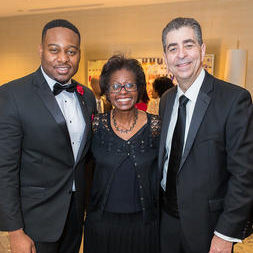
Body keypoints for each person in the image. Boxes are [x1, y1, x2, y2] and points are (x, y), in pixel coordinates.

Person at [0, 19, 96, 253]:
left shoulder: (88, 96)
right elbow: (5, 168)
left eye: (71, 51)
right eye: (54, 50)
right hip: (35, 220)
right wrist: (15, 231)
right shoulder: (12, 95)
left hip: (75, 216)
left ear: (79, 54)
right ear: (41, 50)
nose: (63, 58)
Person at [159, 17, 253, 253]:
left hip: (208, 228)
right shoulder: (166, 100)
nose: (181, 54)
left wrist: (225, 235)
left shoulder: (234, 100)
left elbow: (244, 175)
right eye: (173, 48)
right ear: (166, 59)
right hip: (165, 221)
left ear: (201, 50)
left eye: (188, 45)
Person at [84, 55, 160, 253]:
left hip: (145, 225)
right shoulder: (95, 125)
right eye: (115, 86)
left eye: (129, 85)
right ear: (107, 92)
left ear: (139, 88)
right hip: (102, 225)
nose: (123, 91)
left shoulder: (156, 126)